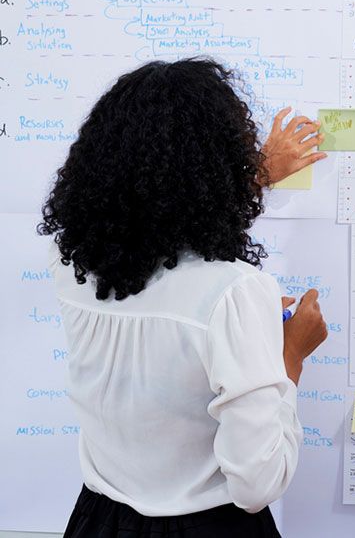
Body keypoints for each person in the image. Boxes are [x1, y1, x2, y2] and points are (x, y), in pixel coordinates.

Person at [38, 58, 330, 537]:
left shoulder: (70, 258)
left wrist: (251, 179)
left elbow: (153, 220)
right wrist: (288, 357)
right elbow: (257, 485)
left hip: (98, 521)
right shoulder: (234, 292)